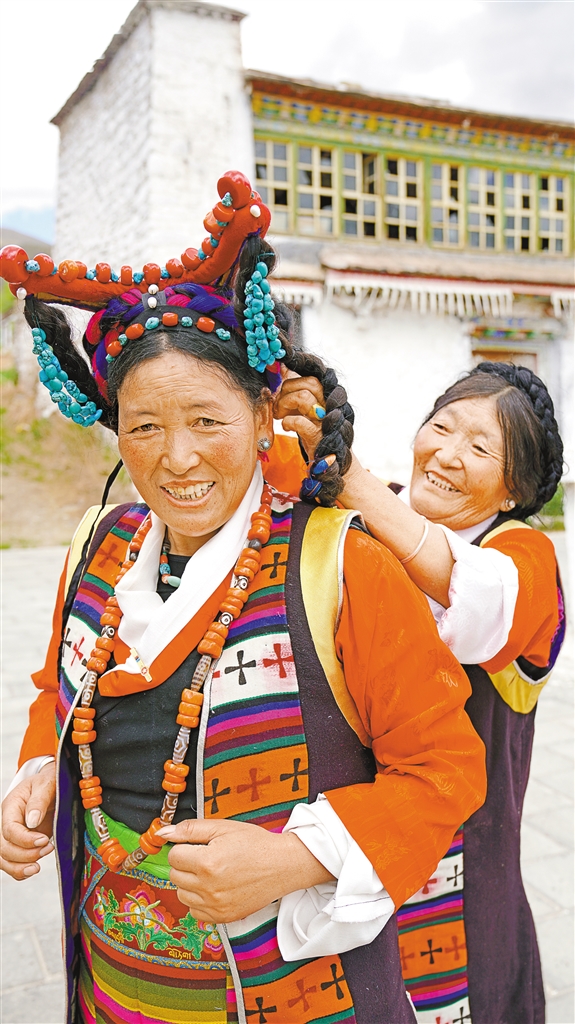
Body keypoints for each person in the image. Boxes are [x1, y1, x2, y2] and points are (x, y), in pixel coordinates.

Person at [0, 172, 486, 1024]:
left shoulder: (343, 567)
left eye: (206, 421)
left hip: (295, 994)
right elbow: (56, 691)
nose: (177, 457)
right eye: (144, 426)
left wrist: (295, 859)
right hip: (113, 989)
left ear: (263, 418)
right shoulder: (98, 549)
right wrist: (38, 774)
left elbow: (444, 770)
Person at [273, 362, 566, 1024]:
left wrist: (348, 477)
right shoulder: (367, 506)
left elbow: (475, 598)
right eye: (442, 426)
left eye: (480, 448)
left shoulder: (523, 556)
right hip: (350, 835)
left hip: (461, 860)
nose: (448, 454)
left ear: (513, 491)